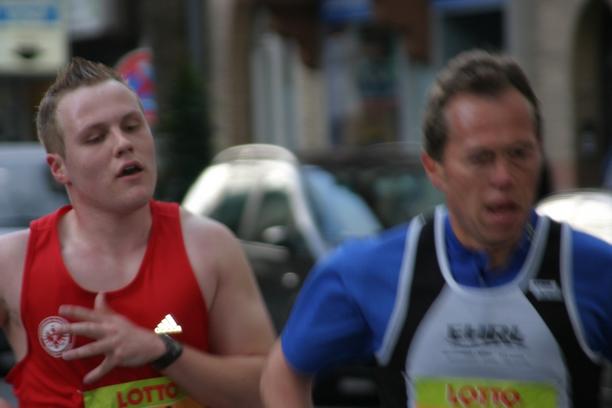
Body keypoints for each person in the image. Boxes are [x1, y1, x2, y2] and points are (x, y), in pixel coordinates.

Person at [261, 49, 612, 407]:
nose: (504, 177)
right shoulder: (372, 271)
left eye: (519, 154)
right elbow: (283, 374)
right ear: (435, 169)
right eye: (481, 158)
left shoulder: (594, 270)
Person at [0, 57, 275, 406]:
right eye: (96, 137)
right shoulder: (13, 261)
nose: (122, 143)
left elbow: (266, 389)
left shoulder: (208, 246)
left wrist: (162, 351)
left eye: (132, 126)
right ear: (59, 168)